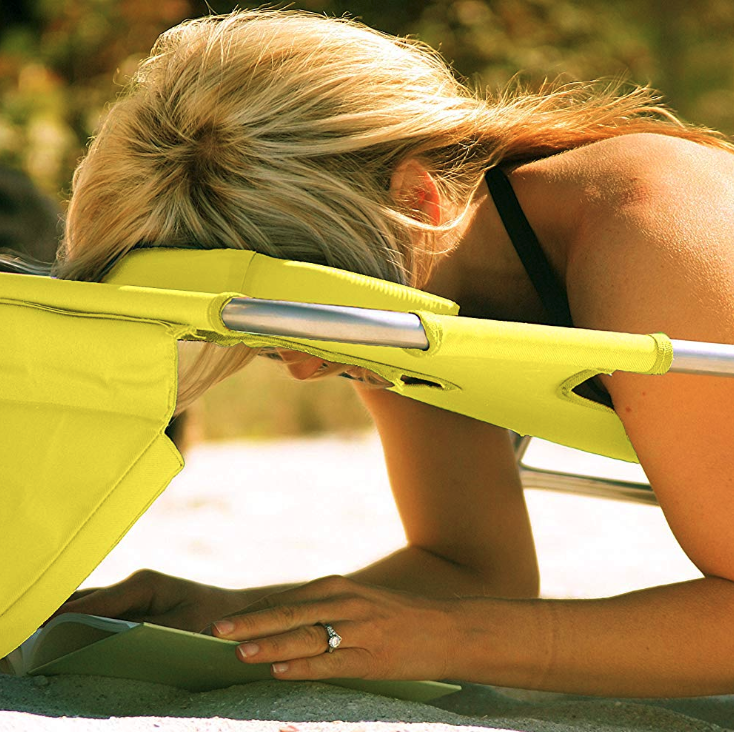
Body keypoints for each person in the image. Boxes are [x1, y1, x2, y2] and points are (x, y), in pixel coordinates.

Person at [52, 9, 734, 698]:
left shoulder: (651, 231)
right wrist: (230, 617)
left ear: (417, 199)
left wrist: (453, 641)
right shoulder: (405, 279)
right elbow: (470, 568)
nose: (305, 366)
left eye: (320, 319)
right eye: (264, 342)